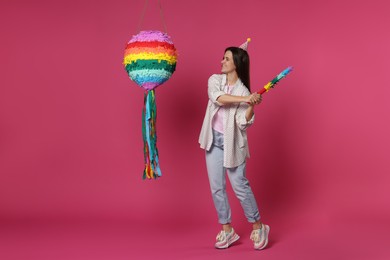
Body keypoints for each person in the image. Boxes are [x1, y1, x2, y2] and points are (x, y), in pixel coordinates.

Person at [199, 39, 270, 250]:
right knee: (216, 188)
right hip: (213, 139)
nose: (222, 61)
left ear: (237, 64)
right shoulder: (215, 80)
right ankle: (227, 230)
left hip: (232, 144)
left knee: (239, 185)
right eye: (223, 57)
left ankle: (259, 226)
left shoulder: (243, 90)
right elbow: (217, 97)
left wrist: (251, 107)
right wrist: (247, 99)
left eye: (227, 58)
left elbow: (242, 123)